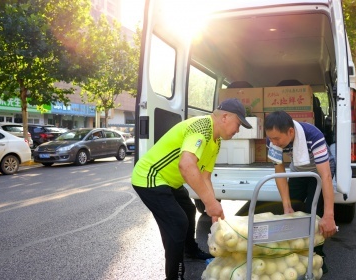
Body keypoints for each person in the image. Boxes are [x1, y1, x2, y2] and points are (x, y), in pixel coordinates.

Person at [131, 98, 252, 280]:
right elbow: (186, 166)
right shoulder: (202, 127)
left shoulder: (216, 141)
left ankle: (190, 252)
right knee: (177, 223)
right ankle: (175, 276)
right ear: (225, 117)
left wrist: (212, 206)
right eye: (238, 124)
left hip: (168, 181)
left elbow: (205, 177)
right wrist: (210, 203)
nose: (238, 130)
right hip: (149, 177)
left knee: (188, 209)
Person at [265, 110, 337, 273]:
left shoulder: (313, 135)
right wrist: (286, 205)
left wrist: (329, 216)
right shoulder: (272, 141)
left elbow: (325, 176)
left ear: (290, 132)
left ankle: (318, 256)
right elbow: (280, 171)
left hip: (320, 171)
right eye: (271, 139)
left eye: (277, 139)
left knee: (314, 210)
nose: (274, 143)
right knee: (293, 209)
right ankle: (295, 252)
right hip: (299, 169)